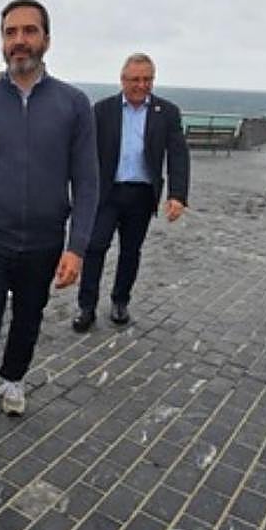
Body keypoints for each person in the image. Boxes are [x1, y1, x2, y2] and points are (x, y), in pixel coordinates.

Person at [0, 0, 97, 482]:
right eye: (11, 32)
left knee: (27, 322)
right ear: (2, 40)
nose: (20, 41)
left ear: (46, 39)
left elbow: (87, 181)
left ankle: (14, 378)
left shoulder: (73, 105)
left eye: (29, 31)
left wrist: (77, 247)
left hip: (46, 242)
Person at [72, 53, 190, 331]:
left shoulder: (167, 112)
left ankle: (120, 301)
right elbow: (83, 152)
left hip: (141, 194)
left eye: (147, 79)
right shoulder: (101, 110)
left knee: (130, 251)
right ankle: (86, 306)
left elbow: (178, 155)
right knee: (95, 248)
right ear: (123, 80)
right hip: (107, 193)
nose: (141, 85)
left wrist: (178, 194)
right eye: (135, 79)